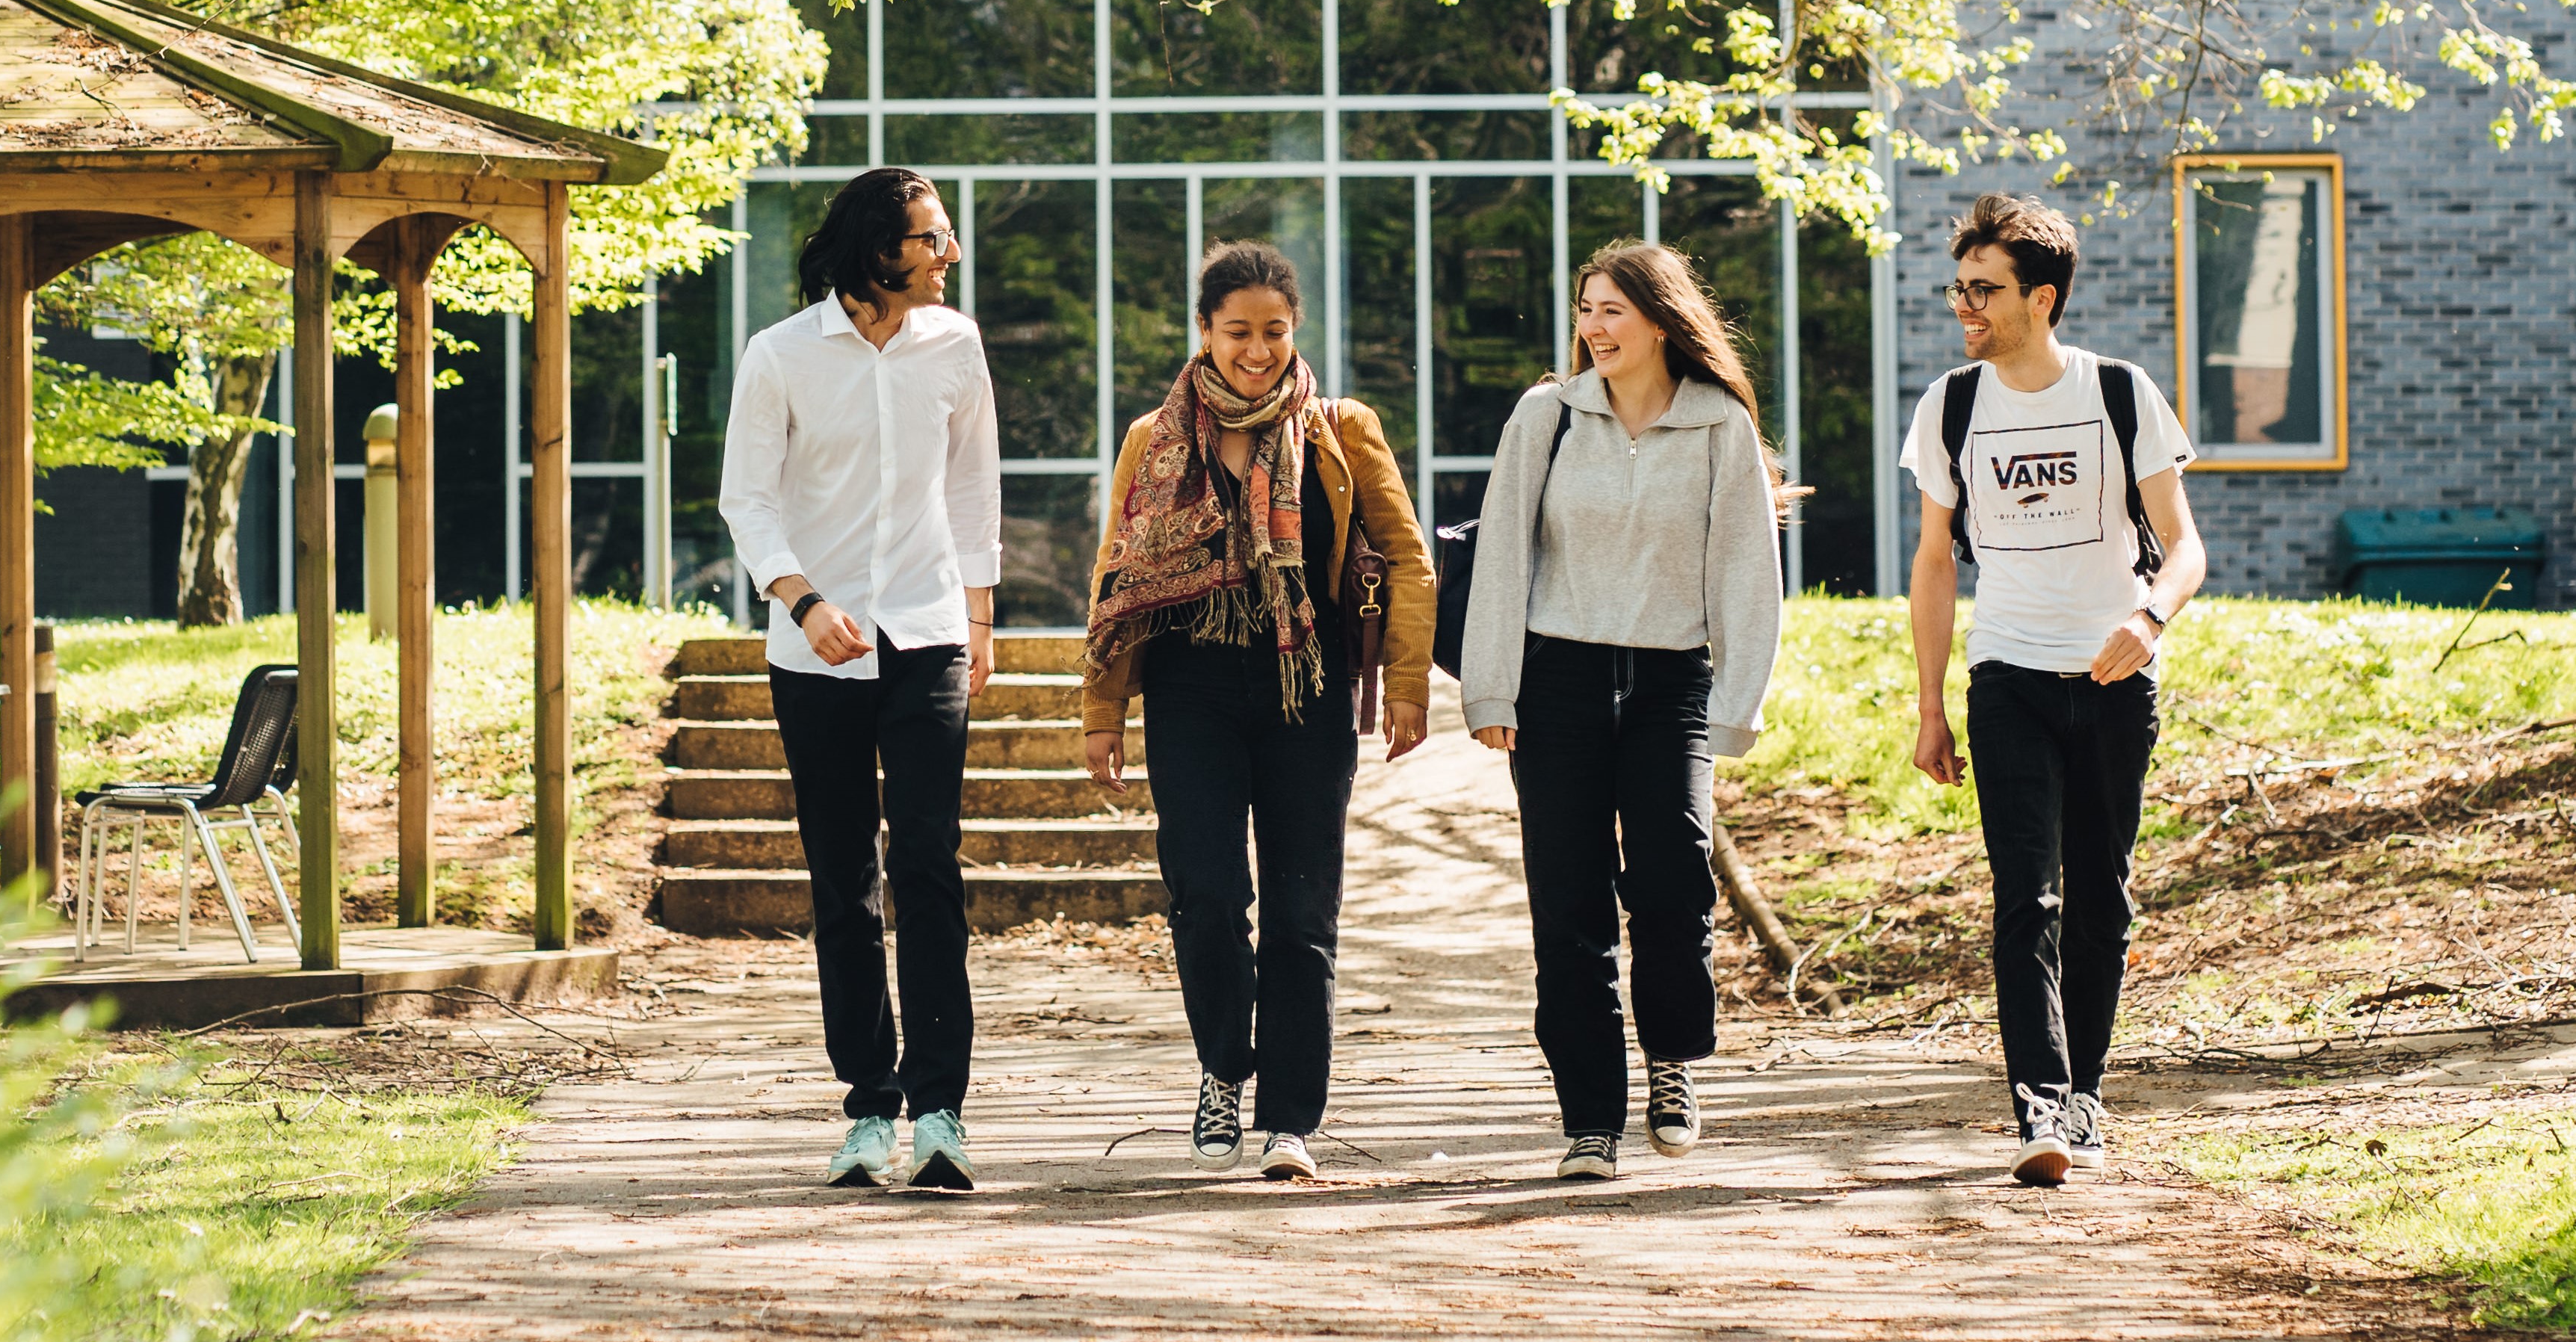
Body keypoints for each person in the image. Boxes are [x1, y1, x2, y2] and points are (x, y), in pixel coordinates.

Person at [1078, 241, 1437, 1182]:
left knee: (1301, 913)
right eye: (1237, 332)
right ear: (1203, 331)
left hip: (1305, 692)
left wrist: (1405, 684)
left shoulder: (1338, 429)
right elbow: (1116, 580)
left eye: (1273, 332)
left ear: (1295, 331)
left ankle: (1289, 1119)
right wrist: (1101, 711)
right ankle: (1221, 1068)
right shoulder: (1154, 440)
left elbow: (1406, 559)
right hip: (1191, 693)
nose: (1257, 350)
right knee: (1204, 900)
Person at [1458, 238, 1787, 1182]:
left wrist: (1735, 705)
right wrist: (1492, 686)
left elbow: (1744, 574)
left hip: (1669, 685)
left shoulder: (1718, 423)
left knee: (1673, 882)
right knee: (1568, 907)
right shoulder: (1545, 416)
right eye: (1585, 309)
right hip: (1556, 680)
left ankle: (1673, 1060)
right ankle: (1590, 1119)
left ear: (1658, 320)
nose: (1593, 327)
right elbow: (1503, 556)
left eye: (1611, 310)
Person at [1900, 192, 2207, 1187]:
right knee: (2023, 892)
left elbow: (2186, 545)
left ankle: (2085, 1094)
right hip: (2010, 679)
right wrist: (1930, 704)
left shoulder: (2118, 393)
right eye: (1959, 290)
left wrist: (2148, 617)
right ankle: (2038, 1099)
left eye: (1983, 292)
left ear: (2042, 298)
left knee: (2101, 898)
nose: (1965, 308)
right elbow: (1935, 563)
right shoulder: (1951, 406)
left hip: (2115, 680)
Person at [717, 164, 1003, 1193]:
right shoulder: (782, 355)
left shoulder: (955, 346)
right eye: (931, 240)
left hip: (927, 635)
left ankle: (940, 1112)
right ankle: (868, 1108)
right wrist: (801, 599)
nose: (949, 256)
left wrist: (978, 622)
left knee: (929, 863)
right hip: (814, 648)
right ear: (878, 252)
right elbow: (746, 500)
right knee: (845, 882)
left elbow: (975, 488)